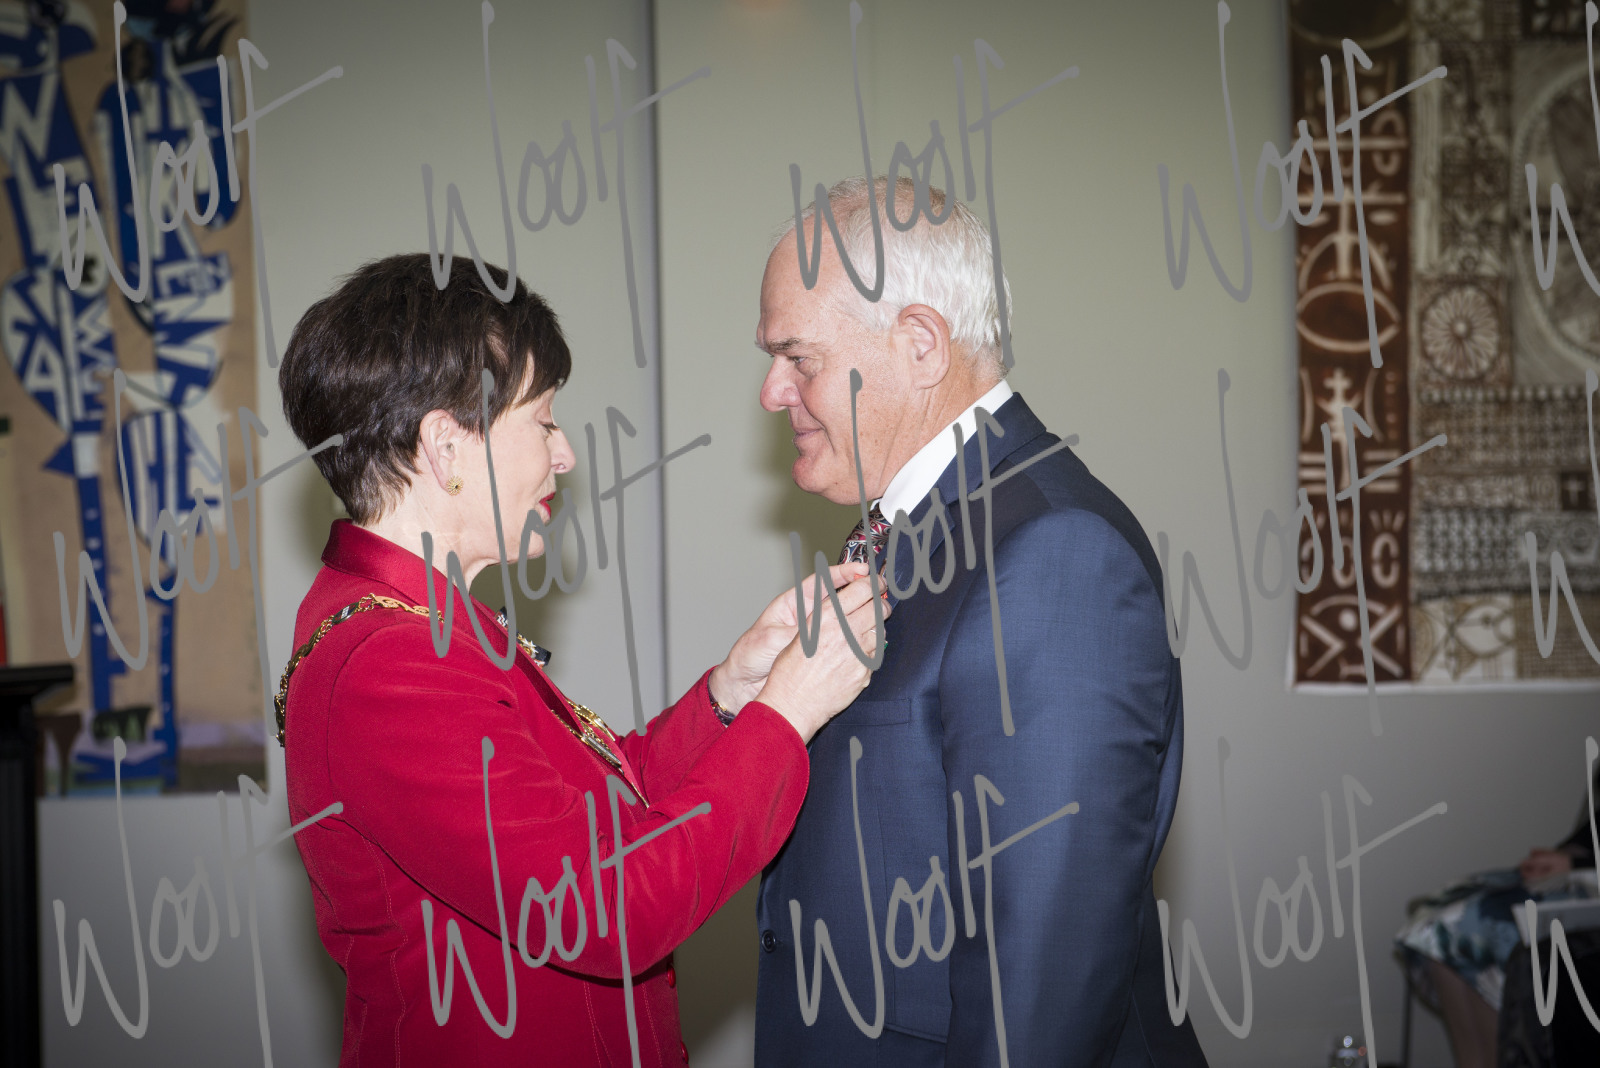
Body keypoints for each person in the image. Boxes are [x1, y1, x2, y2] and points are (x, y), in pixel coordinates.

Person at [277, 252, 887, 1068]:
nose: (563, 455)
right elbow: (604, 908)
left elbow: (590, 820)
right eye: (543, 422)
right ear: (446, 446)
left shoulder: (417, 624)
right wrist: (788, 715)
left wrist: (733, 692)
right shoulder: (390, 666)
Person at [750, 176, 1209, 1067]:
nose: (772, 391)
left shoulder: (1055, 555)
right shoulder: (920, 528)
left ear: (920, 344)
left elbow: (1040, 986)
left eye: (798, 358)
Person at [1397, 759, 1599, 1068]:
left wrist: (1578, 865)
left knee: (1482, 927)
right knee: (1437, 922)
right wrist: (1563, 856)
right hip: (1582, 872)